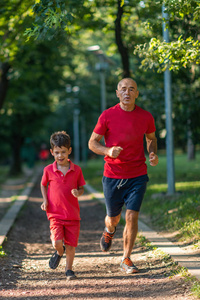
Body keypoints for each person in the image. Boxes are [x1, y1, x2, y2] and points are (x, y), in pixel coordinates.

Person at [88, 78, 159, 274]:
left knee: (132, 216)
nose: (127, 93)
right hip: (113, 175)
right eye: (123, 89)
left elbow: (151, 138)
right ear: (117, 93)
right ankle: (109, 231)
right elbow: (92, 143)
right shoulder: (107, 115)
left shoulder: (146, 116)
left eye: (131, 89)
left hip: (137, 173)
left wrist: (152, 152)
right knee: (113, 218)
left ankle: (126, 258)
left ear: (137, 93)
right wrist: (108, 151)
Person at [40, 131, 86, 280]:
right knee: (56, 242)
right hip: (55, 214)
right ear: (52, 152)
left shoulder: (77, 170)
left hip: (72, 214)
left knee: (71, 245)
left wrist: (78, 193)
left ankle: (69, 270)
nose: (60, 156)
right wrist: (45, 200)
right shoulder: (48, 170)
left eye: (63, 152)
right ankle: (59, 252)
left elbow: (81, 188)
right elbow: (43, 185)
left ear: (69, 151)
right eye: (57, 152)